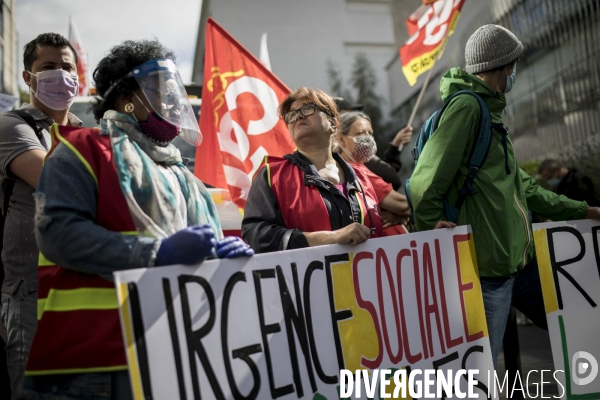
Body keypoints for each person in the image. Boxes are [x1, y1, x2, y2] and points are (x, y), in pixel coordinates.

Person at [24, 40, 253, 398]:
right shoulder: (82, 149)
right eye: (162, 89)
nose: (175, 102)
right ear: (125, 97)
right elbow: (58, 235)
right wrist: (156, 253)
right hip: (94, 363)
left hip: (173, 353)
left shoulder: (181, 174)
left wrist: (217, 262)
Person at [408, 24, 600, 367]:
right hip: (487, 271)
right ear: (502, 65)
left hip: (518, 264)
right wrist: (434, 246)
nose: (516, 71)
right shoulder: (468, 108)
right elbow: (425, 183)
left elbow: (523, 188)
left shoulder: (491, 114)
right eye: (514, 63)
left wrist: (583, 211)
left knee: (579, 324)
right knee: (479, 367)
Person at [0, 32, 82, 399]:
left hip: (76, 290)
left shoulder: (84, 132)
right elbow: (55, 180)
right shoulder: (12, 127)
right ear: (27, 77)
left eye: (66, 67)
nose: (60, 75)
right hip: (29, 292)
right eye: (47, 68)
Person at [242, 87, 384, 253]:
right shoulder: (271, 176)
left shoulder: (362, 176)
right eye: (291, 115)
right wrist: (332, 237)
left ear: (333, 123)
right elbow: (257, 235)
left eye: (308, 108)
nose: (298, 116)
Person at [336, 111, 411, 235]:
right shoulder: (355, 171)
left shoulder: (345, 168)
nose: (367, 138)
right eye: (360, 133)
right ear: (341, 140)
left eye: (370, 133)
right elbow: (403, 205)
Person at [333, 97, 412, 190]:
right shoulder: (336, 161)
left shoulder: (361, 156)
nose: (355, 118)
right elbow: (392, 178)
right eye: (360, 133)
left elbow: (389, 176)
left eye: (370, 133)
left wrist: (395, 146)